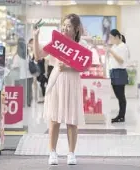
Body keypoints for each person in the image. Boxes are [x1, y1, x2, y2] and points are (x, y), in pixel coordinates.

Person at [33, 13, 84, 165]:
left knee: (72, 121)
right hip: (56, 82)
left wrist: (67, 66)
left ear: (76, 29)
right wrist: (35, 37)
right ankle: (52, 152)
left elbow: (83, 66)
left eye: (69, 26)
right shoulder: (55, 43)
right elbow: (38, 56)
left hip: (72, 83)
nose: (65, 28)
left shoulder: (80, 46)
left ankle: (71, 153)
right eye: (64, 25)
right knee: (54, 120)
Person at [107, 29, 129, 123]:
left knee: (121, 96)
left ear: (116, 37)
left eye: (111, 37)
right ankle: (120, 115)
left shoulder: (123, 47)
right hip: (114, 72)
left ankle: (121, 116)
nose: (110, 39)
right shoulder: (115, 46)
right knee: (118, 95)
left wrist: (111, 52)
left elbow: (121, 60)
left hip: (120, 73)